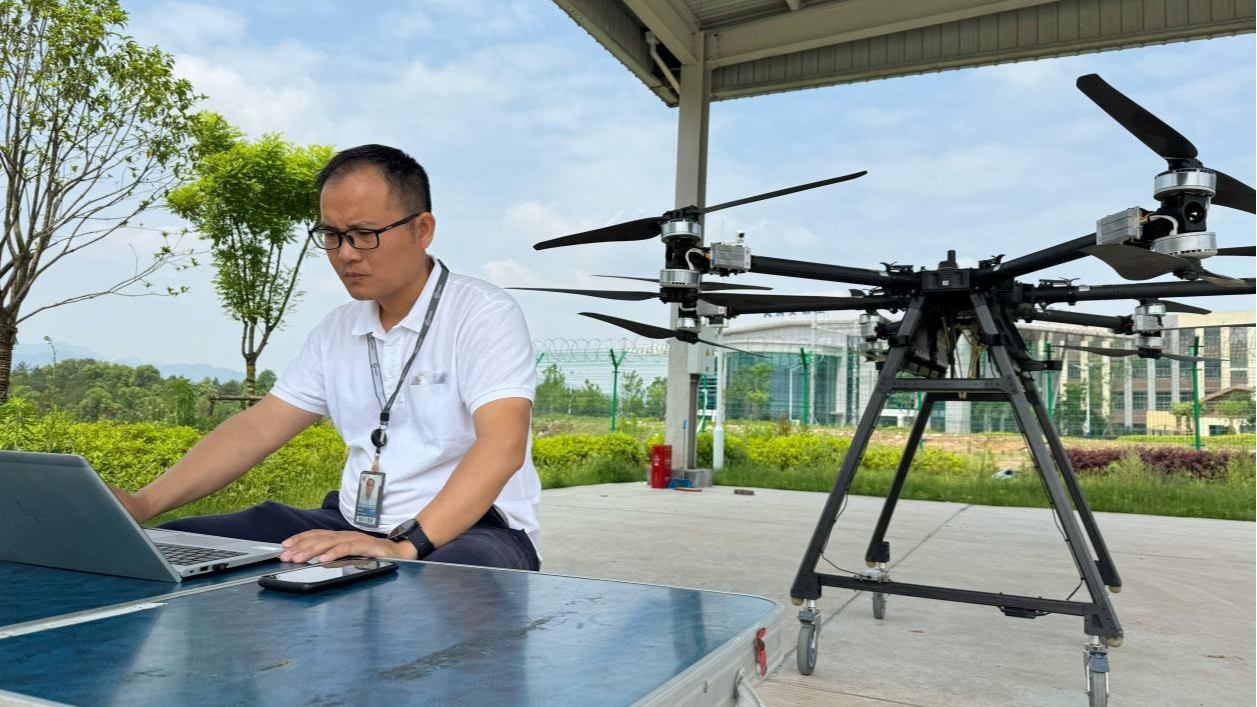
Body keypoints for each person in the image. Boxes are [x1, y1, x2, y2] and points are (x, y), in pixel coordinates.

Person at [109, 144, 540, 571]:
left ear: (422, 229)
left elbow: (502, 445)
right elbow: (256, 428)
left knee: (441, 584)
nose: (346, 253)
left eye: (364, 234)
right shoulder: (337, 329)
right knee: (176, 545)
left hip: (471, 531)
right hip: (350, 522)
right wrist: (143, 503)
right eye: (331, 236)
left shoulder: (481, 313)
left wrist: (406, 545)